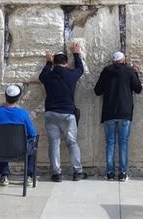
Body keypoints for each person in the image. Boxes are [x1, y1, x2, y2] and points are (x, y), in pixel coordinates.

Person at [39, 41, 87, 182]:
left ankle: (56, 174)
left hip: (51, 113)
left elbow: (42, 76)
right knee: (72, 142)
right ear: (66, 63)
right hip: (67, 113)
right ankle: (77, 172)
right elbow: (80, 69)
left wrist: (48, 62)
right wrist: (76, 53)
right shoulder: (71, 74)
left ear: (54, 63)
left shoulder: (48, 76)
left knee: (54, 143)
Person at [94, 51, 143, 182]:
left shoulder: (106, 71)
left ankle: (110, 173)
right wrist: (136, 73)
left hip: (109, 112)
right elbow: (138, 89)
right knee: (123, 143)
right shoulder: (129, 71)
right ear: (123, 60)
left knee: (110, 143)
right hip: (124, 112)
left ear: (113, 61)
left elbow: (97, 91)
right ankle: (122, 173)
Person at [0, 84, 37, 186]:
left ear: (5, 95)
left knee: (3, 141)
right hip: (20, 149)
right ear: (18, 98)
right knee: (33, 143)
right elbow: (32, 133)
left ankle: (4, 176)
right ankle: (29, 176)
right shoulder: (23, 114)